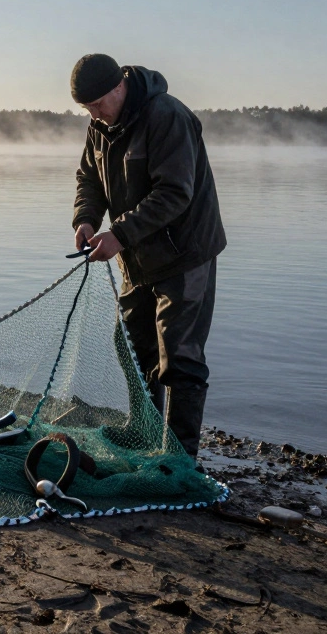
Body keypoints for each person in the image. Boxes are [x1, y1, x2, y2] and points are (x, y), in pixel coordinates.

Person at [69, 53, 226, 458]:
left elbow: (175, 192)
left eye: (99, 103)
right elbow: (89, 176)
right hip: (136, 257)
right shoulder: (100, 125)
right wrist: (85, 219)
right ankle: (142, 429)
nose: (95, 114)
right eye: (87, 108)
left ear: (120, 85)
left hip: (184, 254)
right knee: (133, 345)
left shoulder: (167, 116)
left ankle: (179, 458)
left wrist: (118, 235)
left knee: (179, 357)